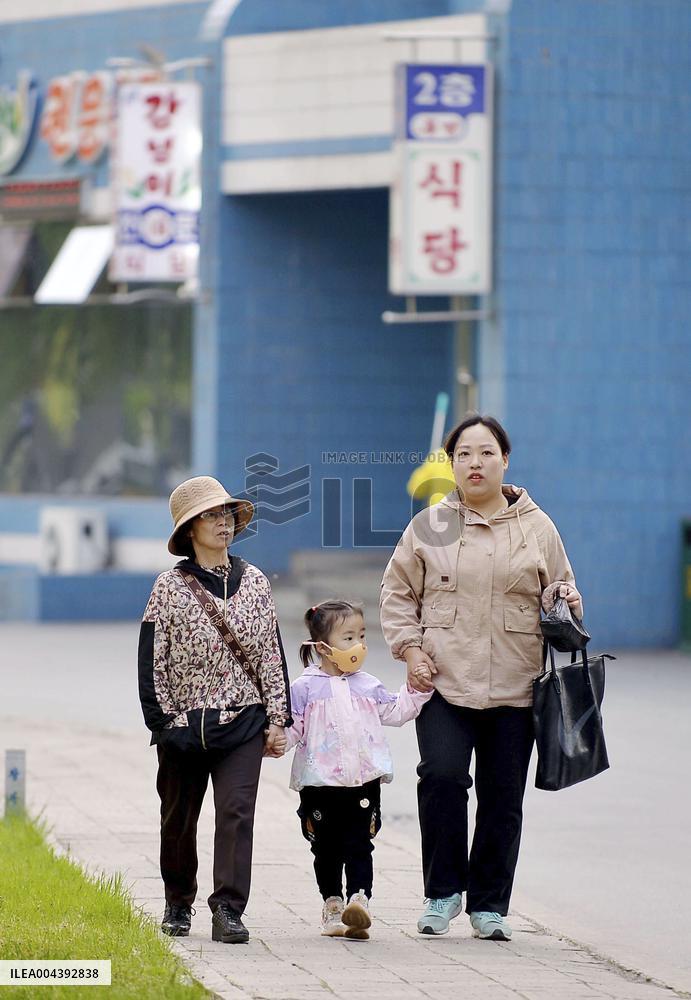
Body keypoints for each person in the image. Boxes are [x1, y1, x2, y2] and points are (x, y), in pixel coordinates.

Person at [380, 414, 583, 942]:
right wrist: (411, 650)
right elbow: (398, 593)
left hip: (516, 687)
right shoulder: (431, 525)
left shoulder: (538, 526)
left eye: (487, 452)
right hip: (442, 681)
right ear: (451, 464)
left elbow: (565, 592)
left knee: (502, 797)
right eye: (464, 454)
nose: (475, 463)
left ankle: (489, 906)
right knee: (442, 778)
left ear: (505, 461)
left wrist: (566, 599)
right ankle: (442, 893)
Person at [138, 475, 291, 944]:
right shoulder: (168, 587)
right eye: (210, 515)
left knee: (237, 814)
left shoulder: (256, 582)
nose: (223, 522)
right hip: (183, 727)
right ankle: (177, 902)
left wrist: (278, 719)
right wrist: (165, 723)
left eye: (226, 513)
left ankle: (228, 909)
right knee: (178, 820)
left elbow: (271, 655)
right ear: (189, 529)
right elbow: (152, 660)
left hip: (243, 721)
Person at [284, 600, 431, 940]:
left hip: (363, 782)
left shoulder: (367, 685)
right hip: (319, 783)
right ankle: (333, 904)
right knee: (325, 848)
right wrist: (274, 741)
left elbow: (395, 711)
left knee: (360, 843)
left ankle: (359, 900)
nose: (359, 645)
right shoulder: (305, 688)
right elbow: (293, 728)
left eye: (361, 636)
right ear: (323, 647)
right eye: (349, 638)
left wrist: (417, 690)